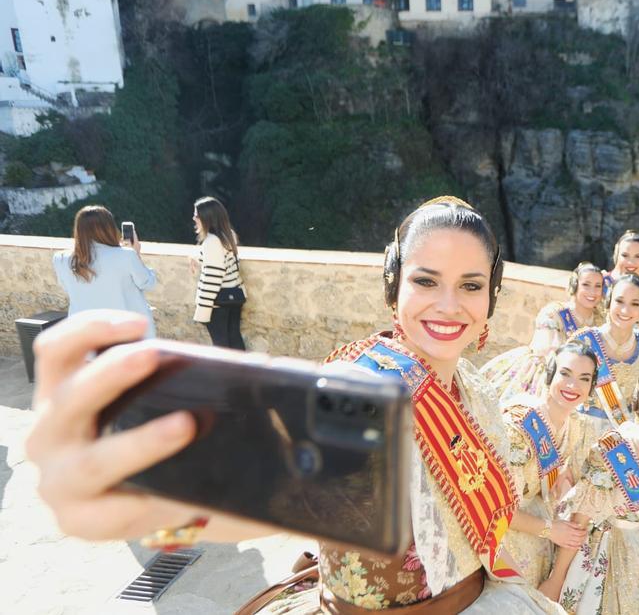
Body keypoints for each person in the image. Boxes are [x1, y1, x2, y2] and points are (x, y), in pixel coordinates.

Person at [25, 197, 560, 613]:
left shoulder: (475, 385)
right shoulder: (361, 387)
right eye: (426, 281)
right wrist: (136, 496)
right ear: (393, 286)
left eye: (470, 285)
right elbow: (260, 486)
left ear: (491, 298)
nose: (449, 305)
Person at [539, 361, 639, 615]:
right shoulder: (613, 449)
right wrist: (557, 579)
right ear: (636, 402)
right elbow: (581, 519)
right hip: (614, 546)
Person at [500, 341, 600, 584]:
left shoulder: (575, 425)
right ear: (550, 374)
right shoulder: (520, 427)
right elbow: (495, 509)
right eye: (565, 374)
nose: (572, 385)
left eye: (584, 378)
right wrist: (550, 530)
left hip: (536, 515)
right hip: (499, 527)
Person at [483, 263, 605, 403]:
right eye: (586, 285)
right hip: (543, 373)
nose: (592, 292)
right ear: (575, 285)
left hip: (580, 380)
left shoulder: (600, 319)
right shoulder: (554, 312)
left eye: (598, 286)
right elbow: (549, 352)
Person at [52, 205, 158, 338]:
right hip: (125, 333)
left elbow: (67, 287)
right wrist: (136, 253)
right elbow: (148, 283)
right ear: (109, 228)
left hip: (84, 335)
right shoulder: (126, 255)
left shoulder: (60, 259)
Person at [570, 274, 639, 428]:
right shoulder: (584, 341)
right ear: (608, 301)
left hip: (627, 437)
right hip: (582, 429)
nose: (625, 310)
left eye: (635, 304)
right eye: (619, 301)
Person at [192, 197, 246, 350]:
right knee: (234, 339)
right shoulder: (227, 236)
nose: (194, 218)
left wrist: (203, 309)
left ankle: (225, 374)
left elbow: (213, 277)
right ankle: (242, 373)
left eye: (196, 215)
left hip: (218, 302)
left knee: (221, 345)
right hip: (234, 296)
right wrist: (197, 257)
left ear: (207, 217)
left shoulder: (212, 241)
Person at [602, 230, 639, 296]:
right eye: (625, 255)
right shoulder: (599, 283)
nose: (631, 262)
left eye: (638, 256)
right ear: (616, 255)